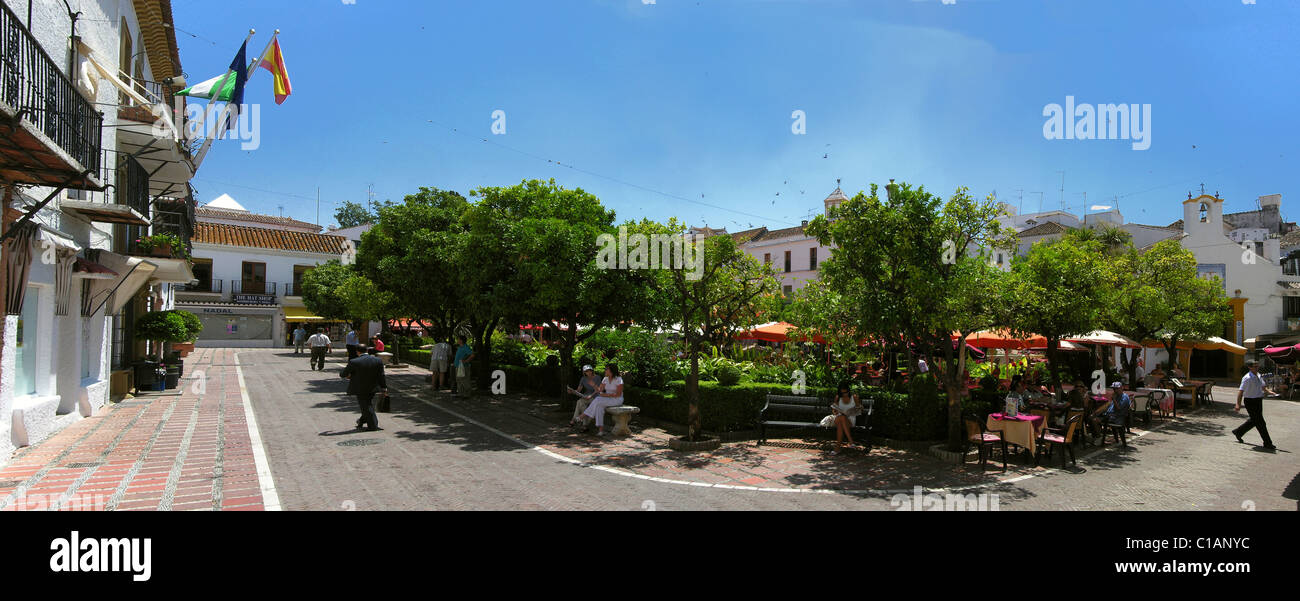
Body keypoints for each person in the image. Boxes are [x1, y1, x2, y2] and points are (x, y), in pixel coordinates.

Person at [341, 346, 388, 431]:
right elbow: (381, 375)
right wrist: (384, 387)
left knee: (366, 405)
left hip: (360, 387)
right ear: (367, 350)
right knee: (367, 404)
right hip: (373, 387)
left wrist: (349, 375)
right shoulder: (378, 360)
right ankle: (361, 420)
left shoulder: (354, 361)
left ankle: (373, 425)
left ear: (357, 352)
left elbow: (343, 374)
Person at [1233, 361, 1275, 450]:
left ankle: (1238, 432)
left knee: (1255, 420)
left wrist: (1269, 391)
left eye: (1257, 366)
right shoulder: (1247, 378)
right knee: (1261, 422)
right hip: (1250, 401)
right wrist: (1238, 404)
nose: (1257, 368)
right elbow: (1240, 391)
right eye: (1255, 366)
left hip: (1258, 400)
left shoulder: (1259, 375)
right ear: (1250, 367)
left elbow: (1263, 387)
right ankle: (1267, 443)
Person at [576, 364, 624, 437]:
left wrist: (605, 395)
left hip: (617, 399)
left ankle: (582, 416)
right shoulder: (605, 379)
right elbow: (599, 390)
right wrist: (594, 385)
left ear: (611, 370)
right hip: (607, 399)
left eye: (606, 369)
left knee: (598, 399)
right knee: (599, 407)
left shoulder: (618, 379)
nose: (605, 370)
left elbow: (618, 394)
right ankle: (601, 431)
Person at [829, 381, 863, 453]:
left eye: (846, 392)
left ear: (849, 390)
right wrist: (835, 411)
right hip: (838, 418)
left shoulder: (854, 397)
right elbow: (834, 410)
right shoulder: (838, 398)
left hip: (850, 420)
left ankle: (837, 448)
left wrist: (857, 408)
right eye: (842, 393)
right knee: (842, 417)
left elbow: (860, 409)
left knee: (841, 422)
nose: (845, 394)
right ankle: (851, 441)